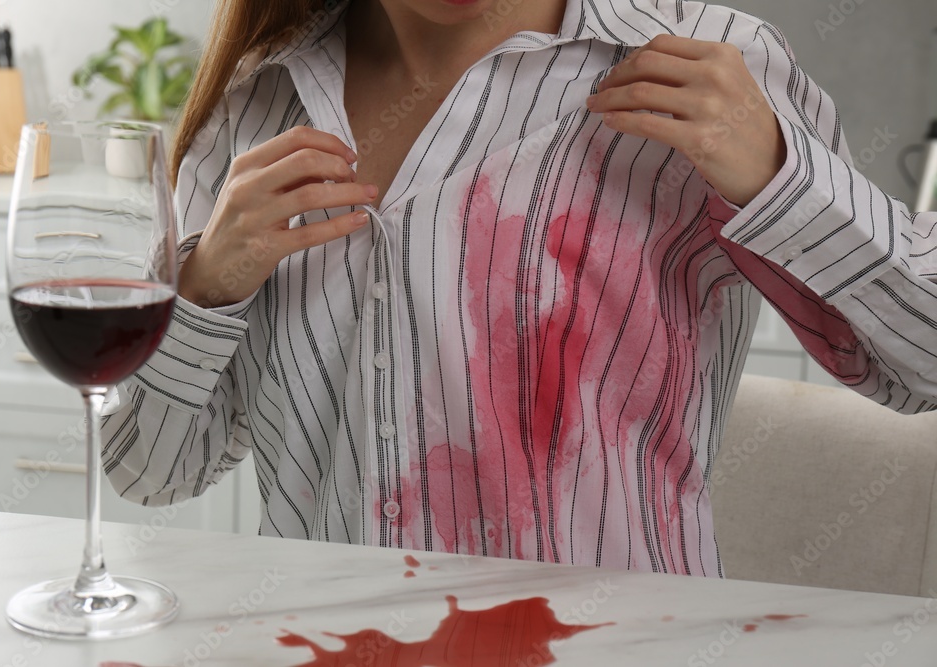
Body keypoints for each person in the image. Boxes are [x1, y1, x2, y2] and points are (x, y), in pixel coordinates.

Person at [101, 0, 937, 574]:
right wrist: (208, 285)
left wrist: (782, 180)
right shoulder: (252, 108)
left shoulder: (710, 68)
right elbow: (148, 470)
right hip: (326, 641)